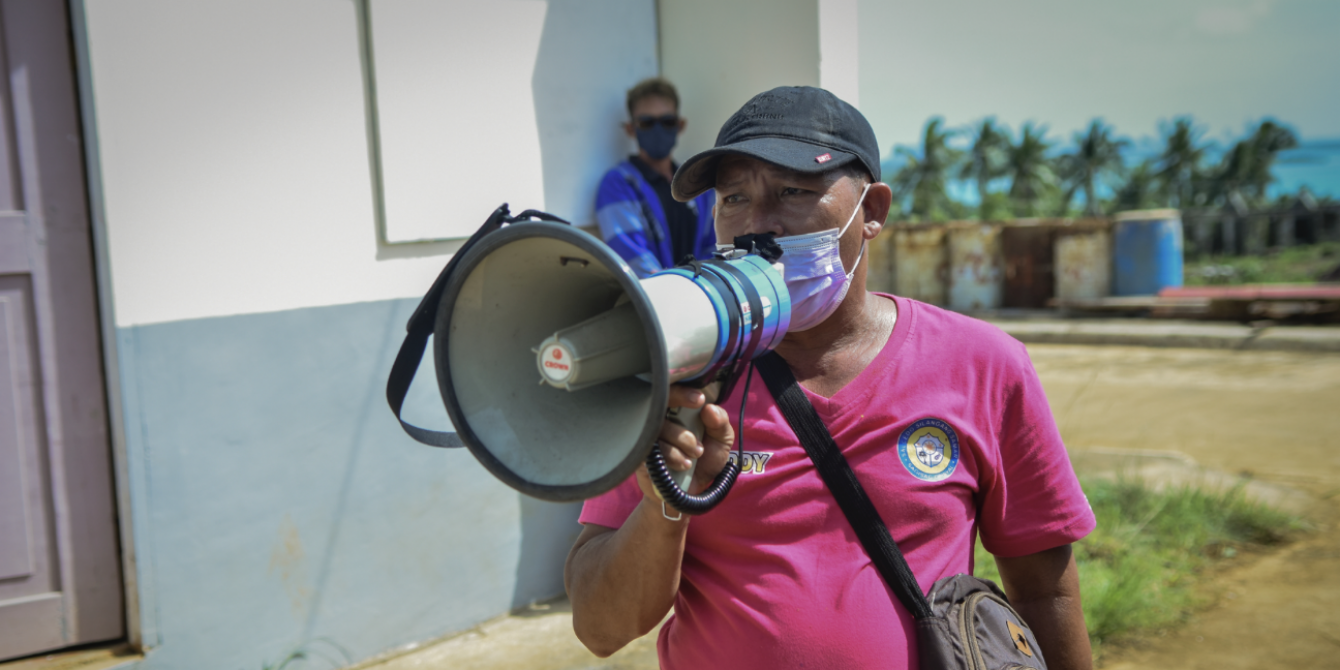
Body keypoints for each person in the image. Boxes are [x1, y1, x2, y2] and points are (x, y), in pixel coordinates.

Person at [565, 87, 1096, 670]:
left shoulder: (984, 365)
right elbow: (600, 627)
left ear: (871, 211)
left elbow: (1044, 592)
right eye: (734, 198)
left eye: (793, 190)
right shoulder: (678, 377)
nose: (756, 226)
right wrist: (665, 503)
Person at [595, 78, 716, 277]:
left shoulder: (699, 184)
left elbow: (715, 247)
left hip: (702, 298)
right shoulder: (617, 185)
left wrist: (701, 291)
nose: (657, 130)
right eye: (646, 122)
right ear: (631, 129)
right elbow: (636, 263)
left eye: (667, 121)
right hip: (656, 302)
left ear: (680, 125)